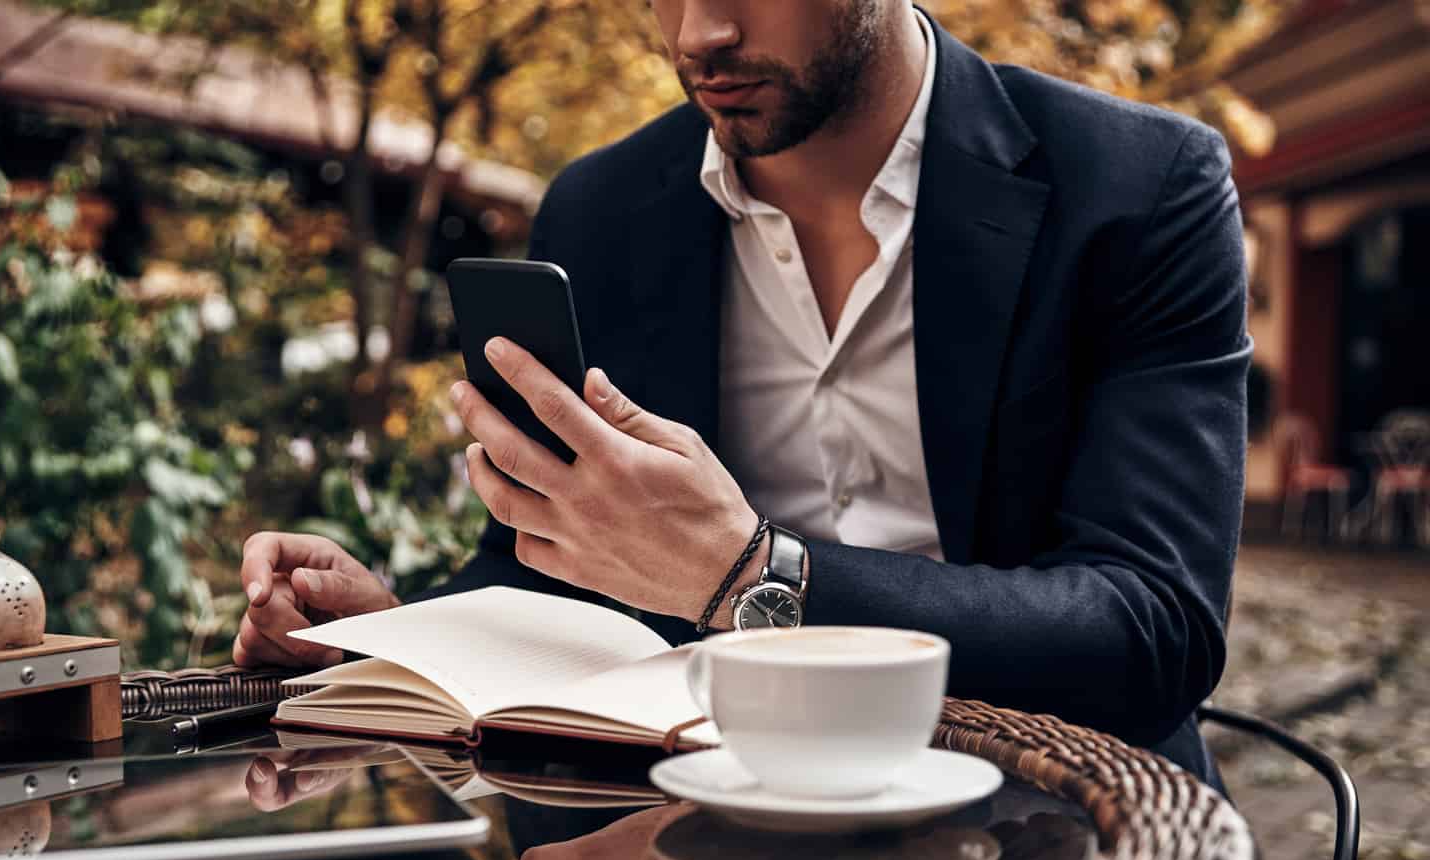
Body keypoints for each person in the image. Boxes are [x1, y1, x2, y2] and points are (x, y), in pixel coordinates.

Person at [235, 0, 1250, 785]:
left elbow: (1151, 628)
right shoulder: (599, 213)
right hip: (695, 825)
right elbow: (547, 568)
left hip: (1071, 815)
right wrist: (396, 635)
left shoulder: (1140, 188)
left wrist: (753, 575)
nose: (701, 32)